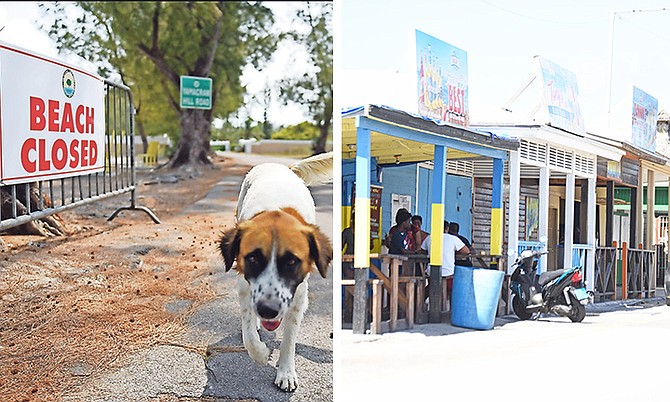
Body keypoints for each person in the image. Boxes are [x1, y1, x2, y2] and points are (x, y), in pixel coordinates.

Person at [420, 221, 469, 298]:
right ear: (447, 228)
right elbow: (466, 251)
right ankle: (450, 304)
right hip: (449, 272)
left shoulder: (429, 237)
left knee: (431, 285)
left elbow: (422, 251)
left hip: (432, 272)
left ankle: (420, 301)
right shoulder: (453, 238)